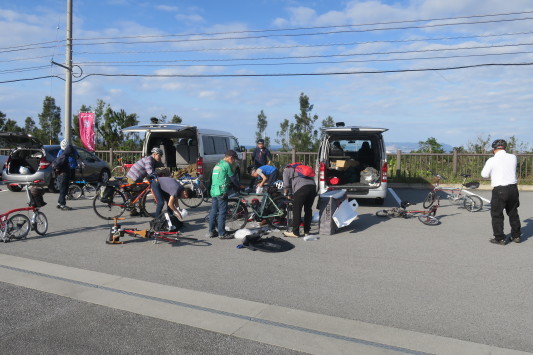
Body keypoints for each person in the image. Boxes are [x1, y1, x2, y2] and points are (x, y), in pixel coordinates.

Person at [481, 139, 522, 245]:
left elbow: (484, 174)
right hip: (513, 188)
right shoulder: (513, 157)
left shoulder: (492, 160)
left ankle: (499, 238)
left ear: (494, 149)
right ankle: (516, 236)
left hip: (500, 189)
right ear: (505, 148)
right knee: (513, 213)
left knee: (497, 214)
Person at [207, 150, 241, 239]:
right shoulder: (227, 165)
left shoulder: (217, 164)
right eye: (233, 159)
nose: (233, 161)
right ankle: (222, 233)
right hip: (221, 192)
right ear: (230, 157)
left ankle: (211, 231)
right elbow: (233, 178)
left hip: (214, 191)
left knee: (213, 212)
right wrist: (239, 187)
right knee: (222, 213)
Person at [126, 147, 165, 216]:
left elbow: (148, 173)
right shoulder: (149, 159)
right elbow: (149, 170)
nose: (160, 157)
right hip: (132, 177)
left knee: (142, 194)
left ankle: (141, 210)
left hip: (137, 178)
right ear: (155, 154)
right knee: (134, 194)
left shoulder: (152, 161)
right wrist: (155, 176)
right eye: (159, 155)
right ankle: (132, 210)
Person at [282, 164, 317, 238]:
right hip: (313, 187)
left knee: (297, 210)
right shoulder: (299, 169)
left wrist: (286, 194)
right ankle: (306, 231)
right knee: (308, 209)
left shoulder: (286, 170)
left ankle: (295, 232)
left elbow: (286, 185)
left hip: (302, 188)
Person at [54, 140, 80, 211]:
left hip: (60, 174)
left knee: (63, 189)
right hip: (64, 174)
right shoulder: (66, 156)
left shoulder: (61, 154)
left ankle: (59, 203)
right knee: (64, 189)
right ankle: (62, 204)